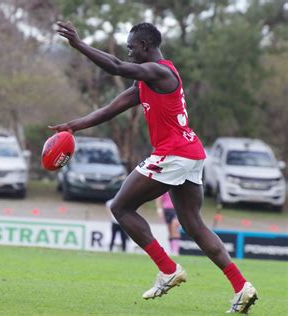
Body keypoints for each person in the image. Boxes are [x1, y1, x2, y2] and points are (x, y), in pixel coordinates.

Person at [50, 21, 257, 313]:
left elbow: (116, 67)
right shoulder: (146, 82)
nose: (129, 51)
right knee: (193, 224)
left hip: (173, 154)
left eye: (131, 47)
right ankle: (242, 287)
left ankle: (168, 268)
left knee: (120, 207)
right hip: (190, 153)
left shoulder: (160, 72)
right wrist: (73, 126)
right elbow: (110, 110)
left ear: (146, 46)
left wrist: (79, 44)